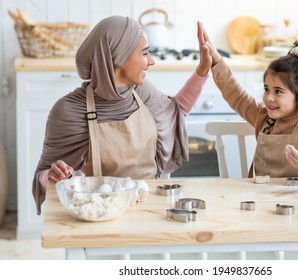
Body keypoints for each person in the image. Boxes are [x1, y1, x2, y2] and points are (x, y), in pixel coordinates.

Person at [32, 16, 212, 214]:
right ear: (119, 57)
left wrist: (202, 70)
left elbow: (174, 114)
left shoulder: (142, 93)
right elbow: (43, 176)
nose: (151, 61)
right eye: (144, 53)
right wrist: (52, 176)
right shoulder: (70, 110)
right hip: (102, 211)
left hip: (151, 207)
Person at [198, 22, 298, 178]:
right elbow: (236, 95)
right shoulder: (263, 117)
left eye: (278, 91)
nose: (269, 98)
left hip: (297, 201)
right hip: (258, 199)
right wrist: (216, 59)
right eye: (266, 89)